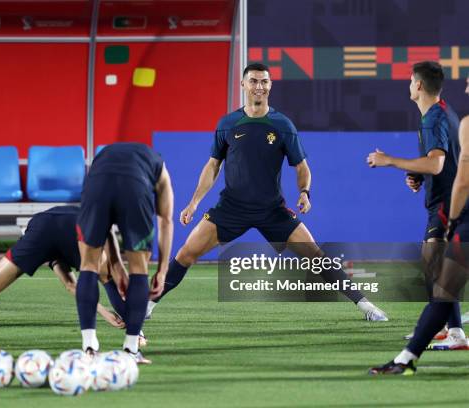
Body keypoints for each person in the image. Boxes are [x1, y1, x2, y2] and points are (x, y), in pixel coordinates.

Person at [146, 63, 387, 321]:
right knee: (185, 253)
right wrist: (194, 203)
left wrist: (305, 192)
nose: (258, 86)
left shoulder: (282, 125)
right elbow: (213, 166)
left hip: (272, 210)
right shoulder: (228, 124)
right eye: (253, 81)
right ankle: (147, 306)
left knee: (316, 255)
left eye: (263, 81)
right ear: (243, 84)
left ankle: (366, 306)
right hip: (231, 208)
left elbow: (302, 166)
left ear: (270, 86)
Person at [0, 206, 137, 350]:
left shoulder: (49, 244)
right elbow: (74, 286)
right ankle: (134, 334)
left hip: (41, 228)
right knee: (106, 275)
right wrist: (106, 313)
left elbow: (71, 285)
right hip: (75, 225)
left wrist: (104, 312)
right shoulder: (91, 222)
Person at [369, 75, 469, 375]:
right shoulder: (446, 115)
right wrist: (420, 174)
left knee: (442, 282)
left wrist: (452, 220)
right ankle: (416, 353)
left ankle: (414, 355)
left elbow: (455, 175)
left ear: (419, 85)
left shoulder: (456, 120)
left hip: (456, 212)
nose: (466, 85)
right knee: (438, 274)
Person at [75, 143, 174, 364]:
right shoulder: (159, 165)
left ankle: (89, 347)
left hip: (97, 183)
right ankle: (131, 350)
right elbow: (165, 220)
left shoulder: (103, 157)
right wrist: (162, 270)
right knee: (139, 269)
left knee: (89, 265)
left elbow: (106, 226)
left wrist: (116, 265)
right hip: (135, 187)